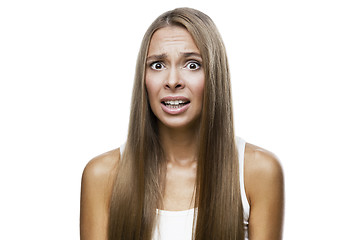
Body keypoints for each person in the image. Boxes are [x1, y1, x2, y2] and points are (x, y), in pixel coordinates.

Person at [80, 7, 284, 240]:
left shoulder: (257, 172)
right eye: (158, 65)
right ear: (143, 78)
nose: (173, 81)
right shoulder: (102, 175)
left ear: (214, 76)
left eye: (192, 65)